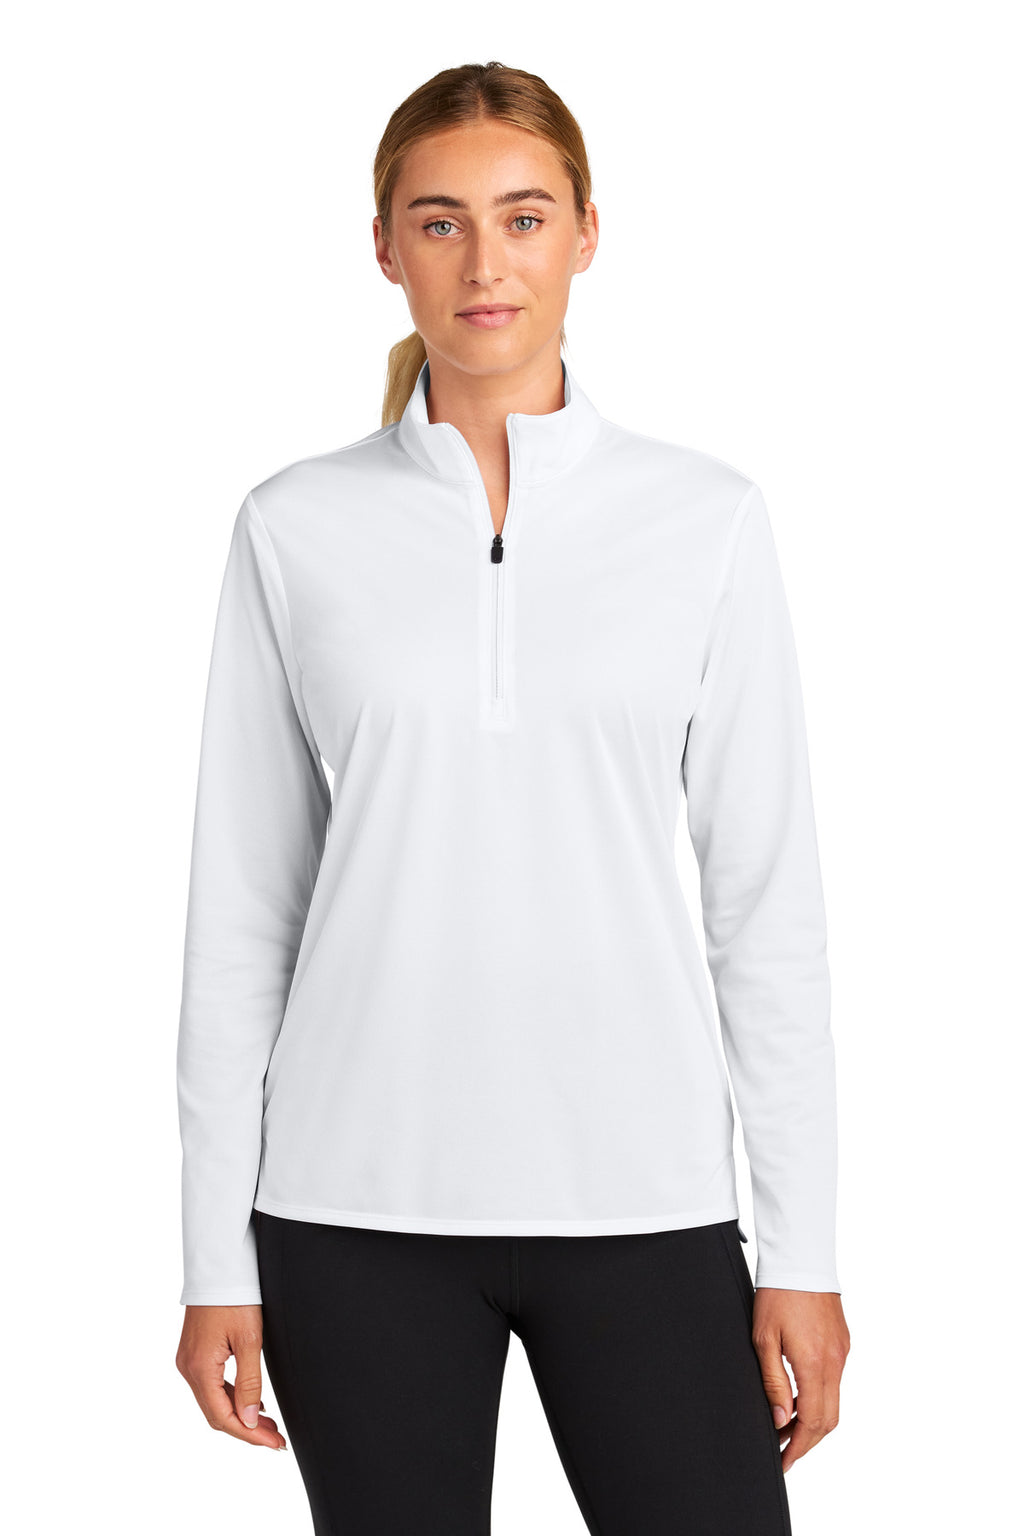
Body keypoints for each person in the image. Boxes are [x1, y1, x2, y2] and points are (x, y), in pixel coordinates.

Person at [174, 59, 850, 1536]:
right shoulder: (294, 528)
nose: (486, 262)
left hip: (644, 1200)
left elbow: (765, 908)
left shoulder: (705, 520)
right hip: (352, 1213)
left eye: (524, 217)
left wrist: (802, 1251)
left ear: (586, 234)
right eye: (441, 222)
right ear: (385, 247)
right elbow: (241, 917)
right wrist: (214, 1257)